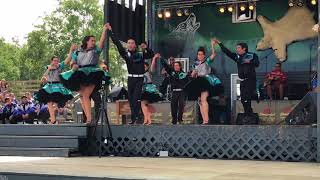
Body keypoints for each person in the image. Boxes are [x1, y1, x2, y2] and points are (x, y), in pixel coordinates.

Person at [60, 24, 109, 125]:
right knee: (82, 96)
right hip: (81, 73)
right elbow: (72, 62)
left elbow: (102, 41)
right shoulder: (77, 52)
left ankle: (90, 119)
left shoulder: (96, 50)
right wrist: (73, 65)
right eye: (92, 40)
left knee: (86, 94)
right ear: (86, 41)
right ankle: (88, 119)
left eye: (95, 41)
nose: (94, 42)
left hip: (93, 73)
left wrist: (104, 30)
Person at [106, 23, 154, 124]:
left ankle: (136, 118)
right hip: (130, 79)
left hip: (139, 79)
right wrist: (110, 31)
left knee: (136, 99)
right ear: (127, 45)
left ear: (135, 44)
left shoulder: (140, 54)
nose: (130, 44)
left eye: (132, 43)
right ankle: (134, 118)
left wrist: (146, 48)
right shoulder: (125, 54)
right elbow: (117, 43)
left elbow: (150, 54)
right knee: (131, 100)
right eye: (128, 43)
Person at [213, 39, 259, 114]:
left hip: (251, 80)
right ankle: (248, 112)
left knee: (247, 98)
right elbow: (227, 52)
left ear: (244, 49)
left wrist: (250, 62)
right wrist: (219, 43)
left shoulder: (252, 55)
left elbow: (257, 64)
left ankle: (249, 112)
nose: (237, 49)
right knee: (243, 99)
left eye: (238, 48)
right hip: (243, 80)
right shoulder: (237, 57)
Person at [35, 46, 75, 124]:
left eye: (57, 60)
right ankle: (53, 120)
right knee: (49, 103)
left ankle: (58, 116)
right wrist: (49, 69)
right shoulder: (47, 67)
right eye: (54, 60)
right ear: (51, 61)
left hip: (58, 86)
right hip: (50, 86)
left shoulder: (60, 66)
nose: (56, 62)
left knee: (59, 104)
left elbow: (67, 60)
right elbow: (44, 76)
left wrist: (71, 50)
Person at [184, 42, 222, 125]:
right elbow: (193, 75)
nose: (200, 56)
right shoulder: (195, 64)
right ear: (197, 55)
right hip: (198, 82)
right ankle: (204, 120)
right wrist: (192, 73)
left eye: (201, 54)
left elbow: (213, 54)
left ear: (204, 55)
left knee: (204, 99)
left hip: (205, 81)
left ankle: (206, 120)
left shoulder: (207, 61)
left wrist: (212, 45)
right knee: (200, 101)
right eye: (198, 54)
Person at [156, 54, 189, 124]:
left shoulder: (184, 74)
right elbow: (166, 66)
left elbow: (188, 83)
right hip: (174, 92)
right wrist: (161, 58)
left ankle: (180, 119)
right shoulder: (171, 73)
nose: (176, 67)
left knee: (181, 105)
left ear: (180, 66)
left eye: (177, 65)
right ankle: (174, 120)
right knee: (173, 106)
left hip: (182, 92)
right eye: (175, 66)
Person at [140, 55, 162, 125]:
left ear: (147, 67)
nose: (143, 68)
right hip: (143, 88)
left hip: (149, 88)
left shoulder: (149, 72)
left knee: (143, 104)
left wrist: (154, 59)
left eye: (145, 66)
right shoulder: (140, 73)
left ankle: (147, 120)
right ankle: (148, 120)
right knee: (145, 105)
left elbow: (152, 67)